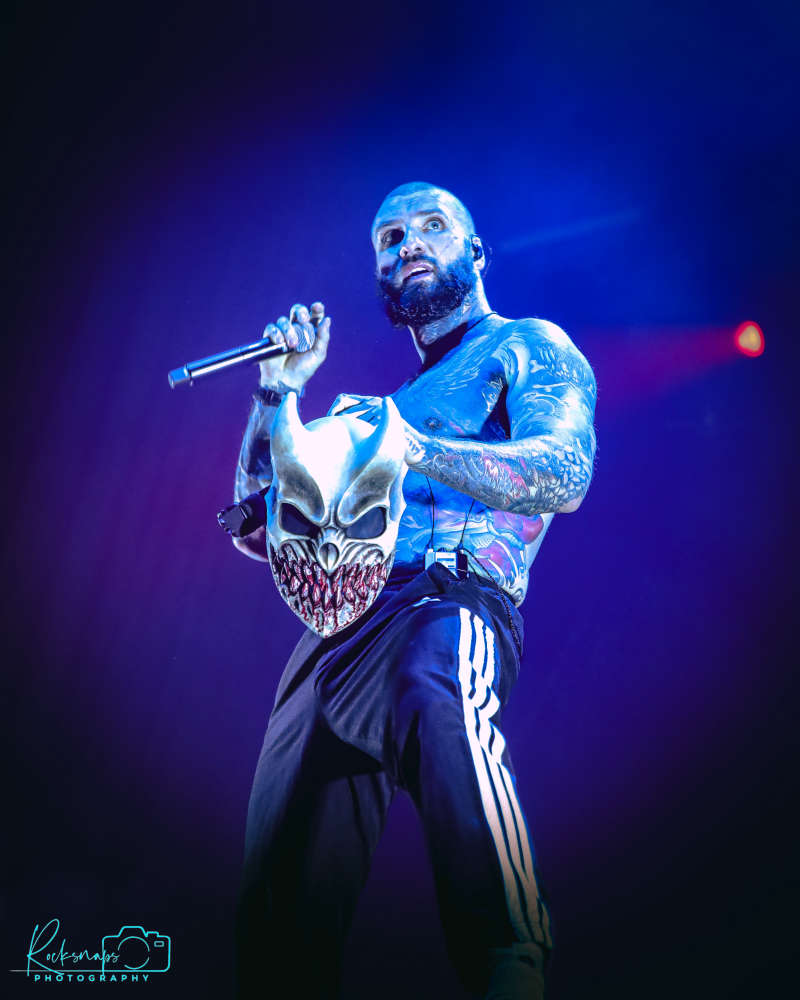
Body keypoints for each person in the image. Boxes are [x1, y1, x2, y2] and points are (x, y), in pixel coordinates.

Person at [228, 182, 597, 999]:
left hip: (444, 598)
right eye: (389, 238)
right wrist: (276, 393)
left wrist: (414, 448)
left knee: (440, 696)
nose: (409, 244)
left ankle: (510, 963)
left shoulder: (525, 345)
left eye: (432, 226)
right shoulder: (378, 415)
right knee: (276, 897)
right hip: (335, 636)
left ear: (476, 251)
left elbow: (565, 472)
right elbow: (259, 530)